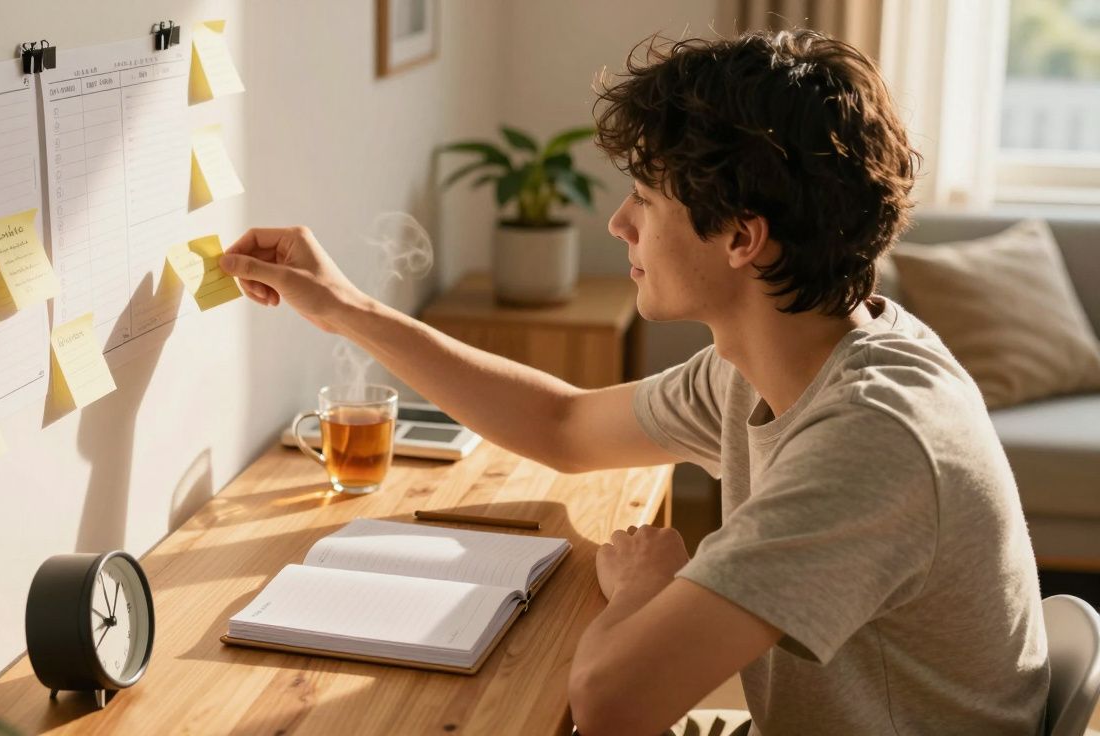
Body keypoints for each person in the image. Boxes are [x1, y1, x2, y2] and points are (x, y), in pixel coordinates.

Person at [217, 28, 1049, 736]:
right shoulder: (783, 354)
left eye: (646, 199)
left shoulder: (871, 440)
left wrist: (649, 587)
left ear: (741, 239)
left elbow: (612, 703)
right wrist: (345, 307)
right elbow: (564, 426)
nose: (618, 223)